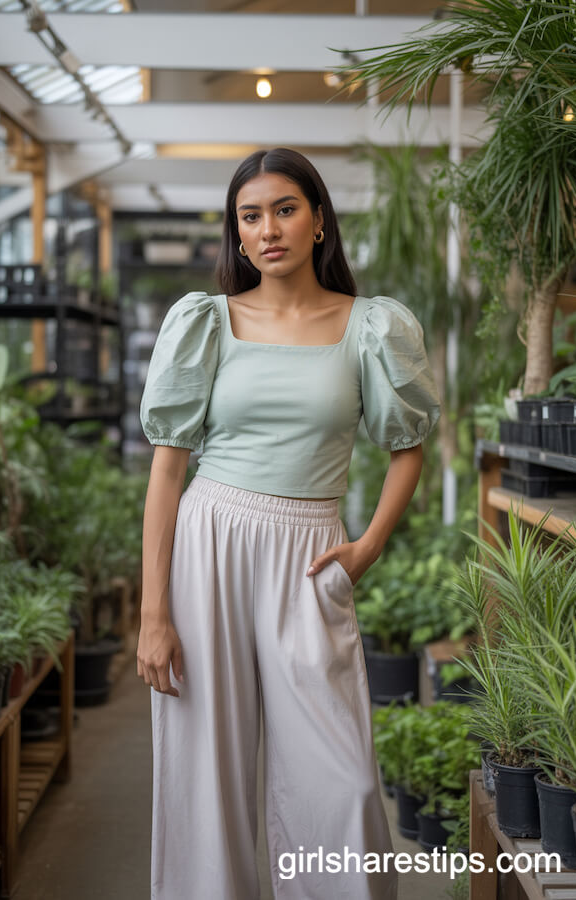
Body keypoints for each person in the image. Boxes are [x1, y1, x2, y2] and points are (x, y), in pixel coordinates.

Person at [137, 146, 441, 900]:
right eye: (250, 216)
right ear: (236, 235)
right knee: (207, 771)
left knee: (342, 782)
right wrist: (153, 613)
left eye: (284, 209)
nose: (267, 228)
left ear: (318, 222)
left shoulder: (369, 325)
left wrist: (365, 548)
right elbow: (168, 472)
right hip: (209, 543)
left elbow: (410, 448)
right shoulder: (205, 323)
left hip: (310, 553)